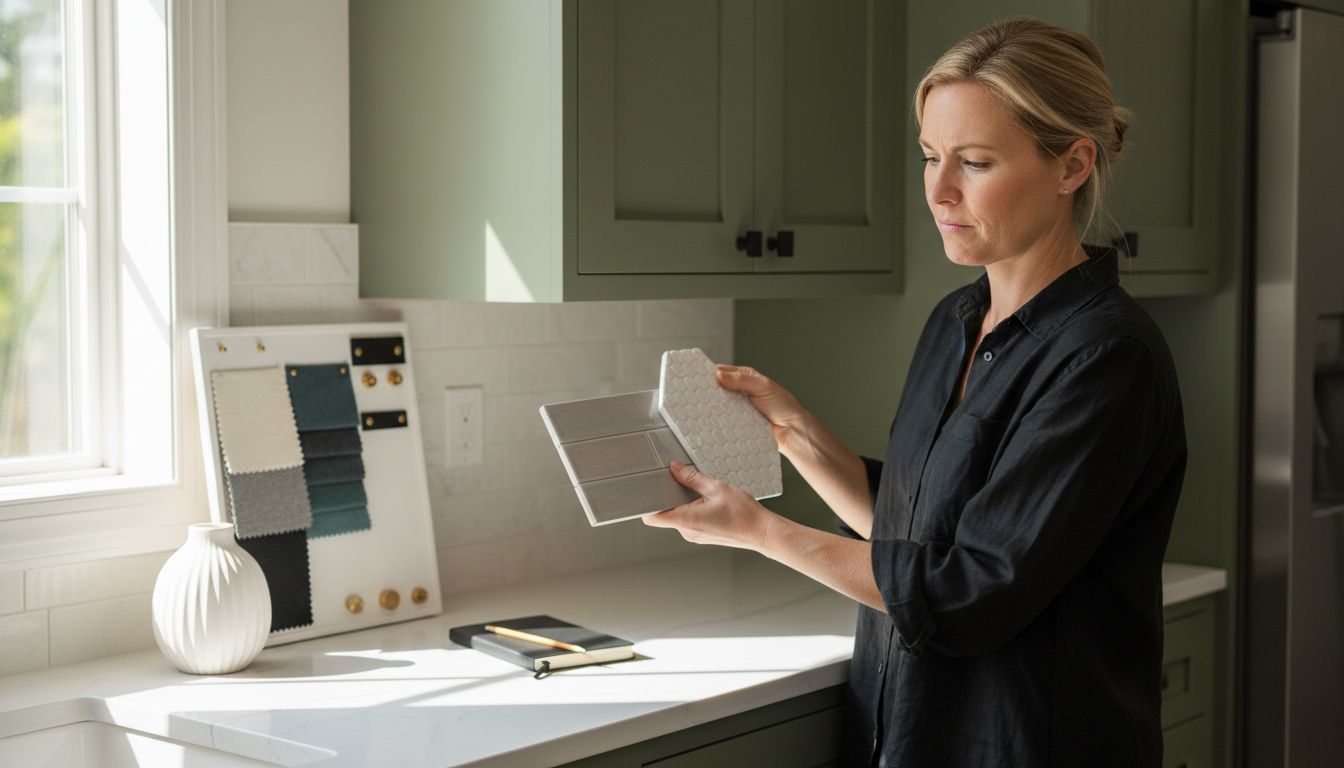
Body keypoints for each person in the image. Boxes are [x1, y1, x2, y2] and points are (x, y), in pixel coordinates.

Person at [643, 17, 1187, 768]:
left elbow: (969, 591)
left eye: (976, 162)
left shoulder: (1106, 357)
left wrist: (761, 532)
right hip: (913, 732)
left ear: (1072, 166)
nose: (939, 190)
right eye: (931, 156)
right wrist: (792, 431)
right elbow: (914, 530)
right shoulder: (955, 320)